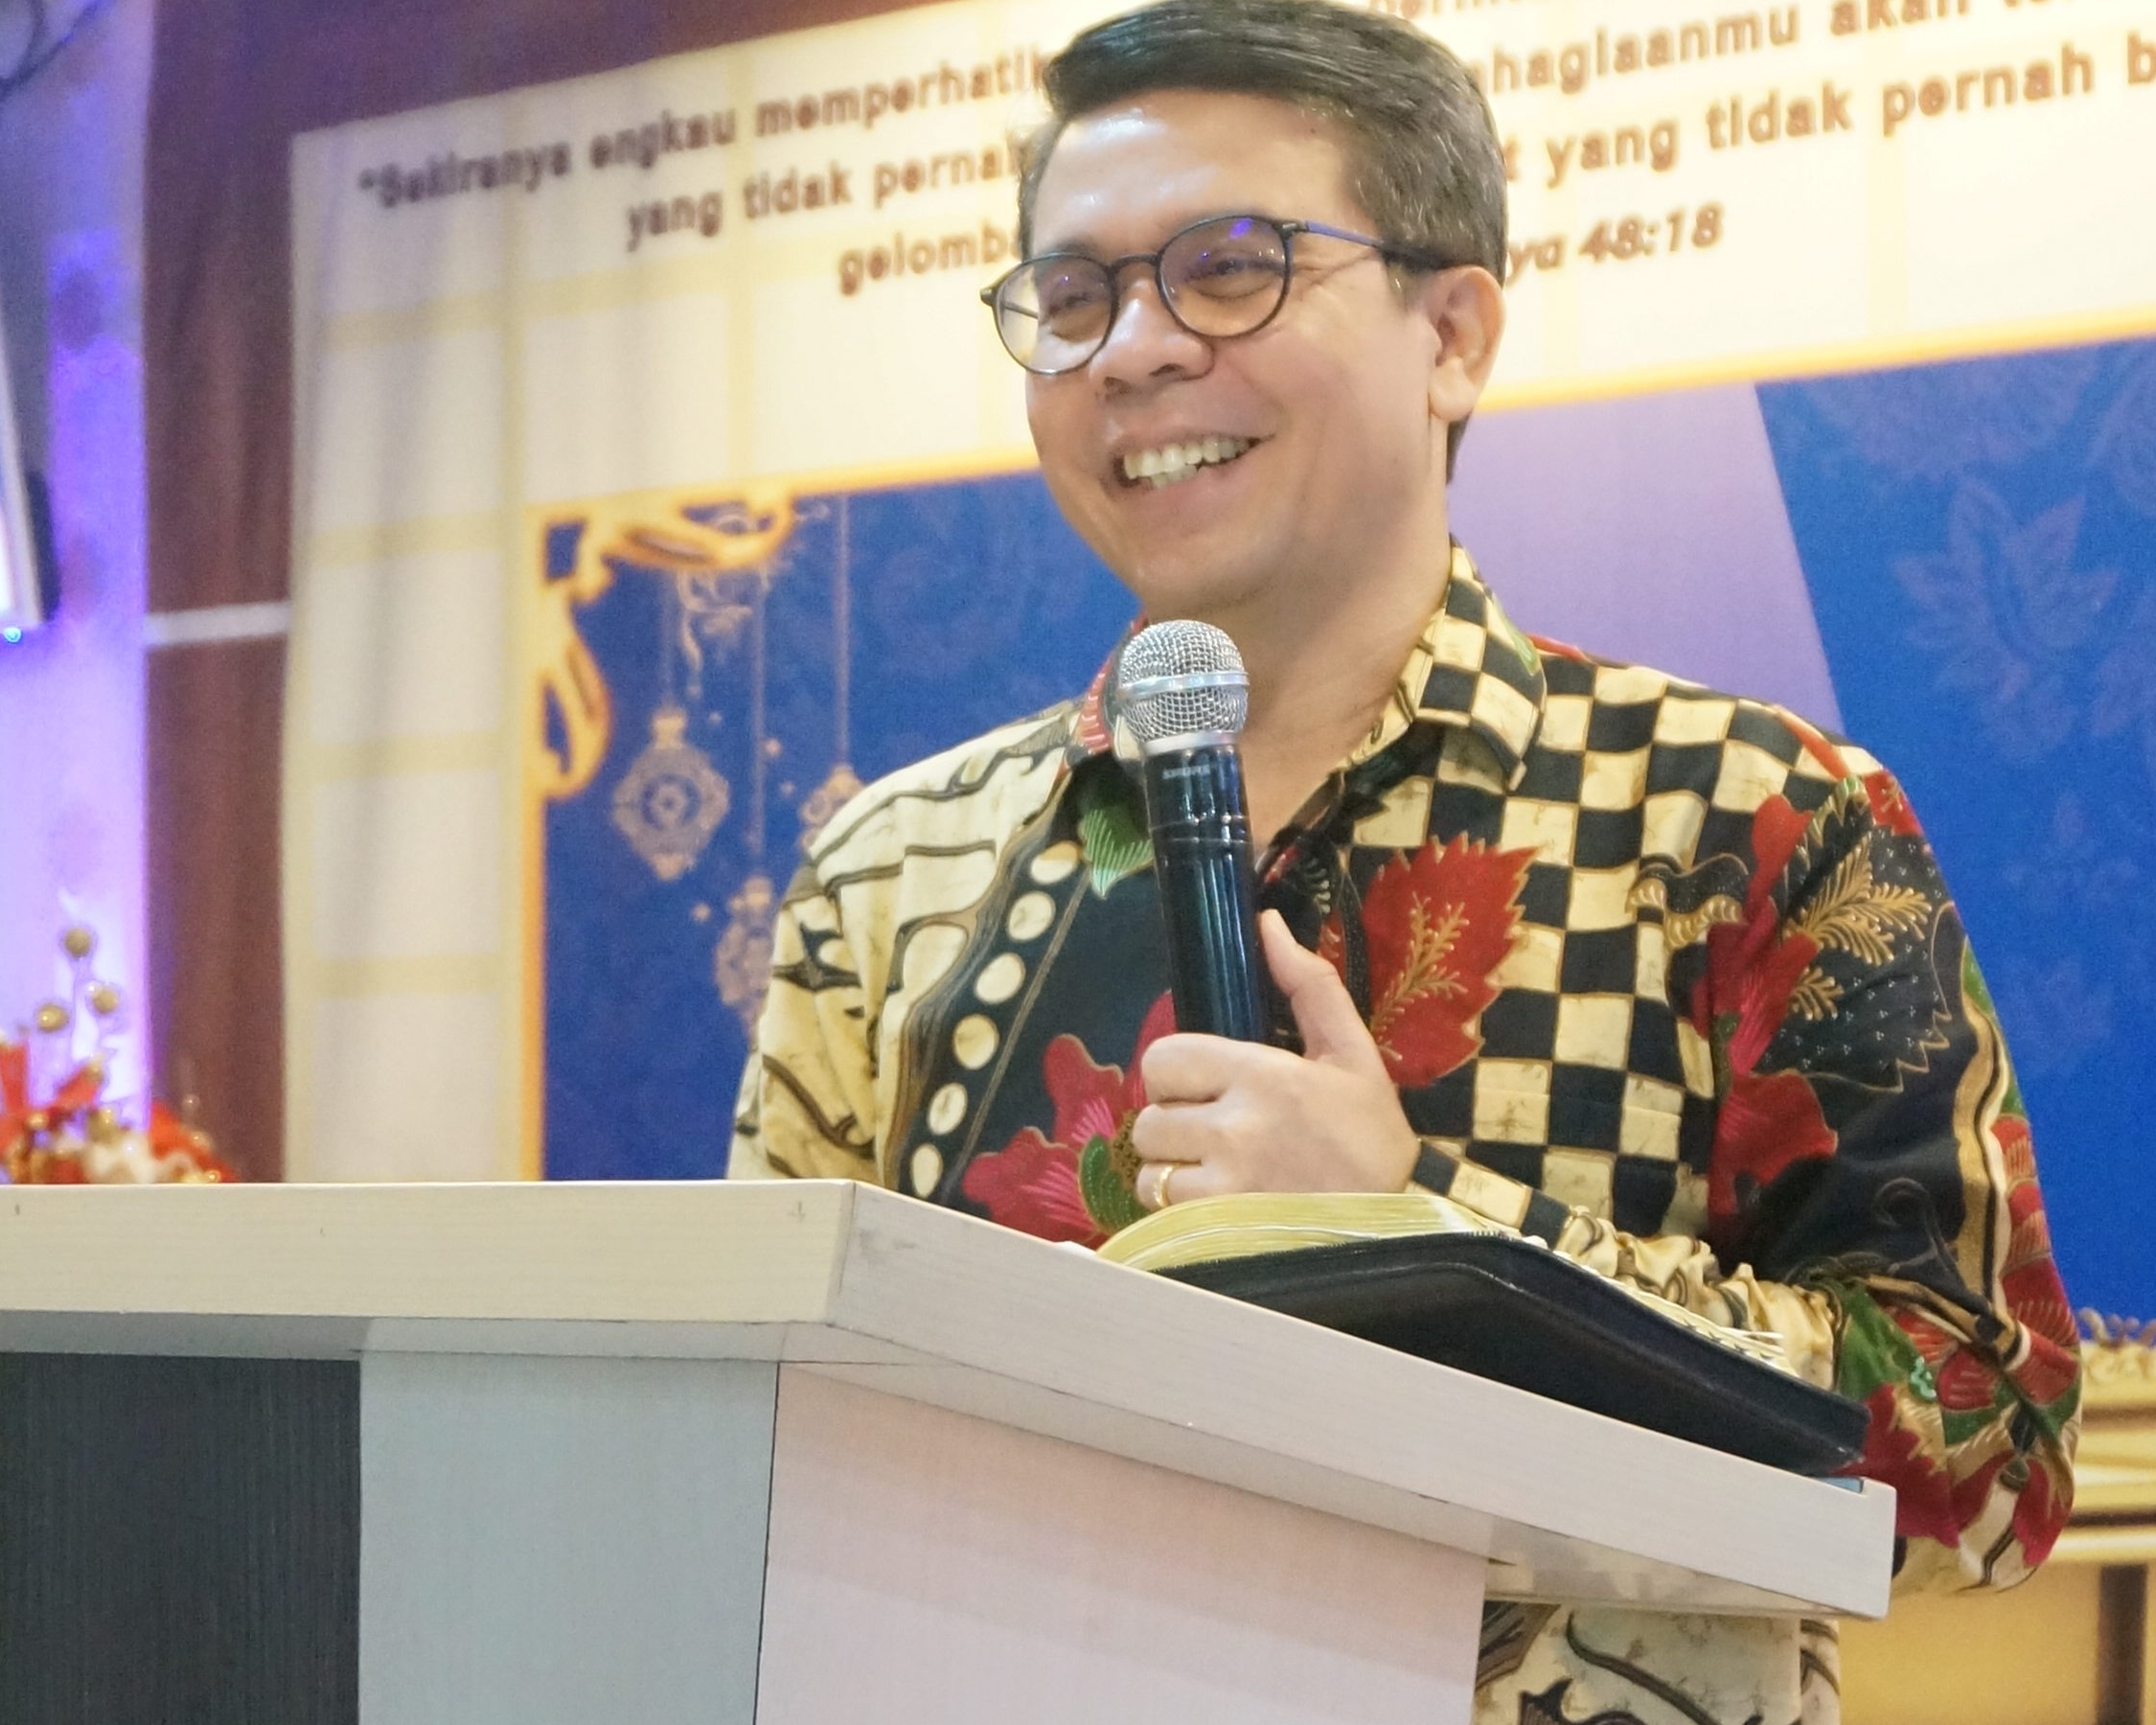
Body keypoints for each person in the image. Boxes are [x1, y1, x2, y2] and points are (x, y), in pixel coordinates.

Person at [727, 2, 2081, 1718]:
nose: (1131, 350)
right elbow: (756, 1417)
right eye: (1071, 298)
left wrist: (1426, 1239)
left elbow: (1991, 1456)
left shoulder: (1750, 816)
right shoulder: (891, 868)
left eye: (1229, 269)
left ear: (1453, 334)